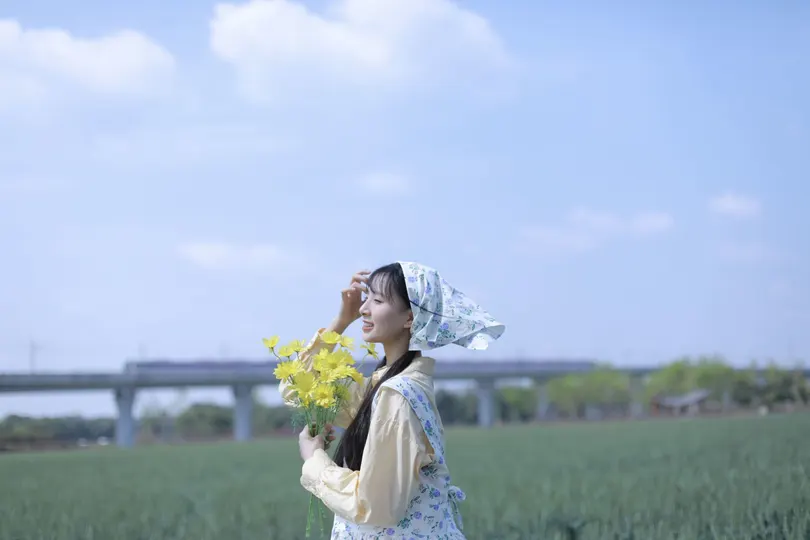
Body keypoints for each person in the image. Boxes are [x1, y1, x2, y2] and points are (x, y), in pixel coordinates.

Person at [279, 261, 505, 539]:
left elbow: (375, 504)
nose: (363, 308)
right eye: (366, 299)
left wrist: (314, 459)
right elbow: (298, 389)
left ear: (410, 318)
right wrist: (340, 322)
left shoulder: (396, 395)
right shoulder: (383, 386)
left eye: (377, 300)